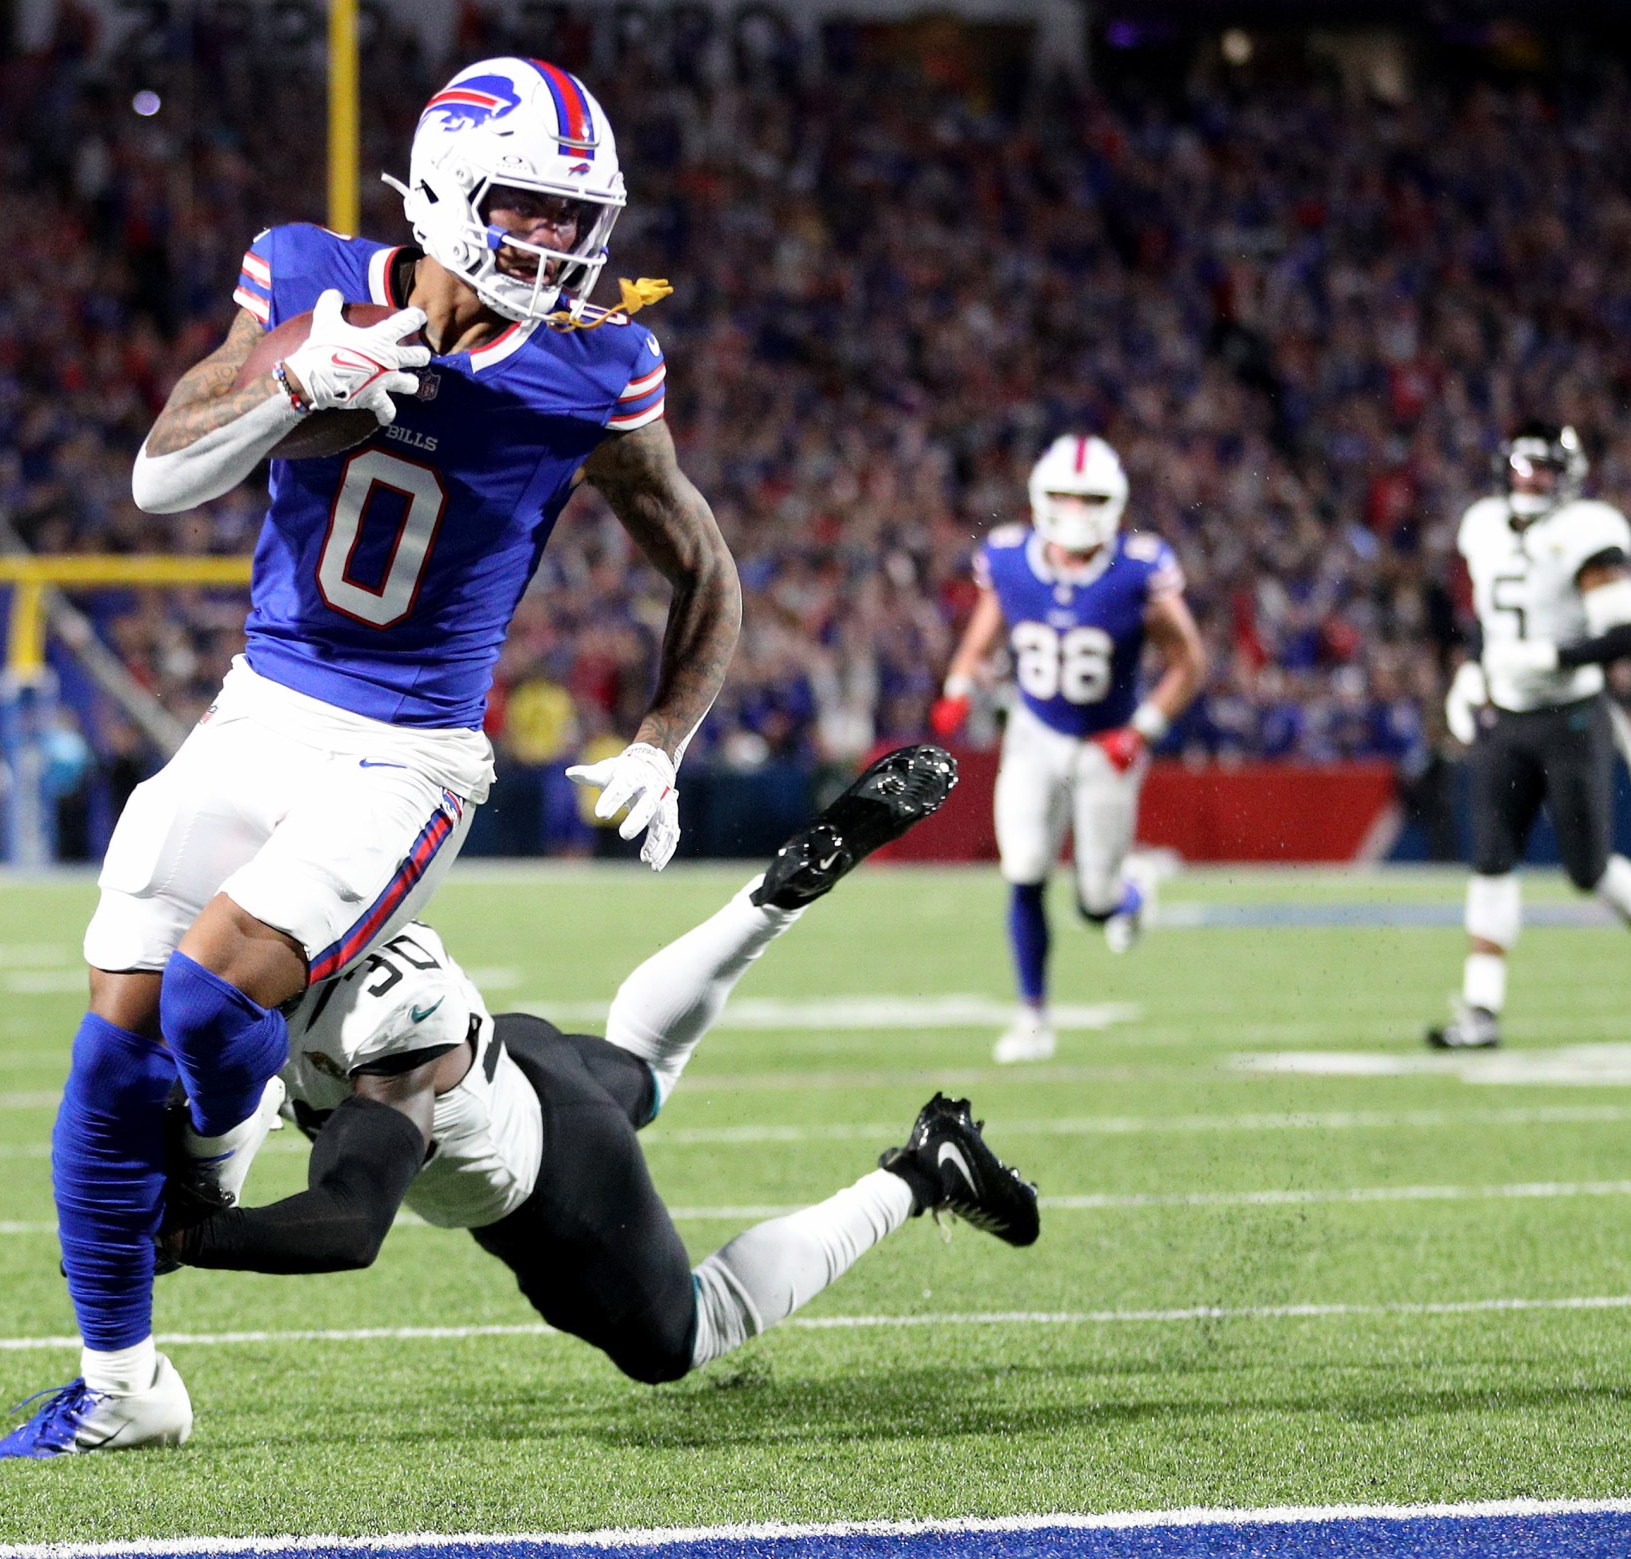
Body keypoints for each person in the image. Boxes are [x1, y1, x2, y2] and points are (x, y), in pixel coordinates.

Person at [0, 57, 741, 1458]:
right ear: (444, 189)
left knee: (212, 986)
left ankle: (209, 1171)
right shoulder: (309, 274)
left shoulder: (595, 361)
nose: (556, 244)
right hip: (261, 706)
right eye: (527, 207)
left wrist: (662, 738)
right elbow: (161, 473)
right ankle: (122, 1384)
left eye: (577, 218)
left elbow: (702, 563)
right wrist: (293, 382)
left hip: (411, 755)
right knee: (116, 1022)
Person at [138, 745, 1035, 1410]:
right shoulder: (316, 918)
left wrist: (194, 1236)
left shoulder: (379, 1043)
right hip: (524, 1056)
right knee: (640, 1068)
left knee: (680, 1336)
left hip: (550, 1172)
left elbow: (351, 1221)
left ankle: (924, 1170)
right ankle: (769, 900)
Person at [929, 435, 1206, 1065]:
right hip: (1034, 733)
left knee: (1095, 903)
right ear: (1040, 498)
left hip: (1107, 744)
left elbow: (1189, 661)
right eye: (1065, 495)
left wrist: (1141, 731)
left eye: (1091, 498)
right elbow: (984, 633)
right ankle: (1033, 1018)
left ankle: (1130, 895)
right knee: (1024, 869)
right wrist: (959, 684)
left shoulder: (1138, 569)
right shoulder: (1008, 558)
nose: (1077, 510)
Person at [1428, 424, 1631, 1048]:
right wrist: (1471, 672)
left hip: (1571, 716)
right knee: (1490, 859)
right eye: (1521, 467)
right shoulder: (1484, 525)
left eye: (1543, 469)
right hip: (1508, 716)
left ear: (1567, 476)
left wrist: (1550, 656)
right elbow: (1489, 619)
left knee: (1587, 870)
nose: (1530, 480)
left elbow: (1625, 635)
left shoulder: (1587, 531)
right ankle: (1481, 1010)